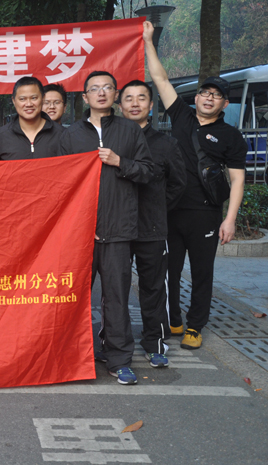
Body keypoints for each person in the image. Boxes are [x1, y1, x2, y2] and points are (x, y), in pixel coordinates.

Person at [143, 21, 246, 350]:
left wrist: (229, 219)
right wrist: (148, 41)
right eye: (205, 93)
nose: (209, 98)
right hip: (171, 209)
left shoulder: (231, 136)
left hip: (205, 214)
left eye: (216, 95)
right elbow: (160, 79)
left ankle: (196, 325)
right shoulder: (182, 116)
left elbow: (237, 179)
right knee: (169, 271)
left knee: (202, 273)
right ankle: (174, 319)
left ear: (224, 104)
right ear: (197, 97)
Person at [59, 70, 153, 385]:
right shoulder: (71, 135)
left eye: (107, 88)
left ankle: (119, 360)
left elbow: (148, 172)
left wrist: (119, 162)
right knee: (73, 298)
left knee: (116, 298)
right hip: (80, 234)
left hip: (118, 231)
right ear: (85, 97)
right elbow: (60, 183)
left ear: (115, 95)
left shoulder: (130, 130)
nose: (101, 93)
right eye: (94, 89)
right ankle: (72, 357)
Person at [119, 79, 187, 366]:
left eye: (141, 98)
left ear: (150, 105)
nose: (135, 103)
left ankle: (154, 343)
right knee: (116, 290)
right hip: (116, 229)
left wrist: (157, 208)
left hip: (152, 229)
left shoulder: (166, 144)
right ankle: (114, 343)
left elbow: (178, 184)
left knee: (154, 288)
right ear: (119, 105)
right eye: (129, 98)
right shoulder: (110, 140)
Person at [0, 76, 63, 160]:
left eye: (34, 98)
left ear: (43, 98)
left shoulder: (62, 135)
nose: (29, 104)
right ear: (14, 101)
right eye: (22, 99)